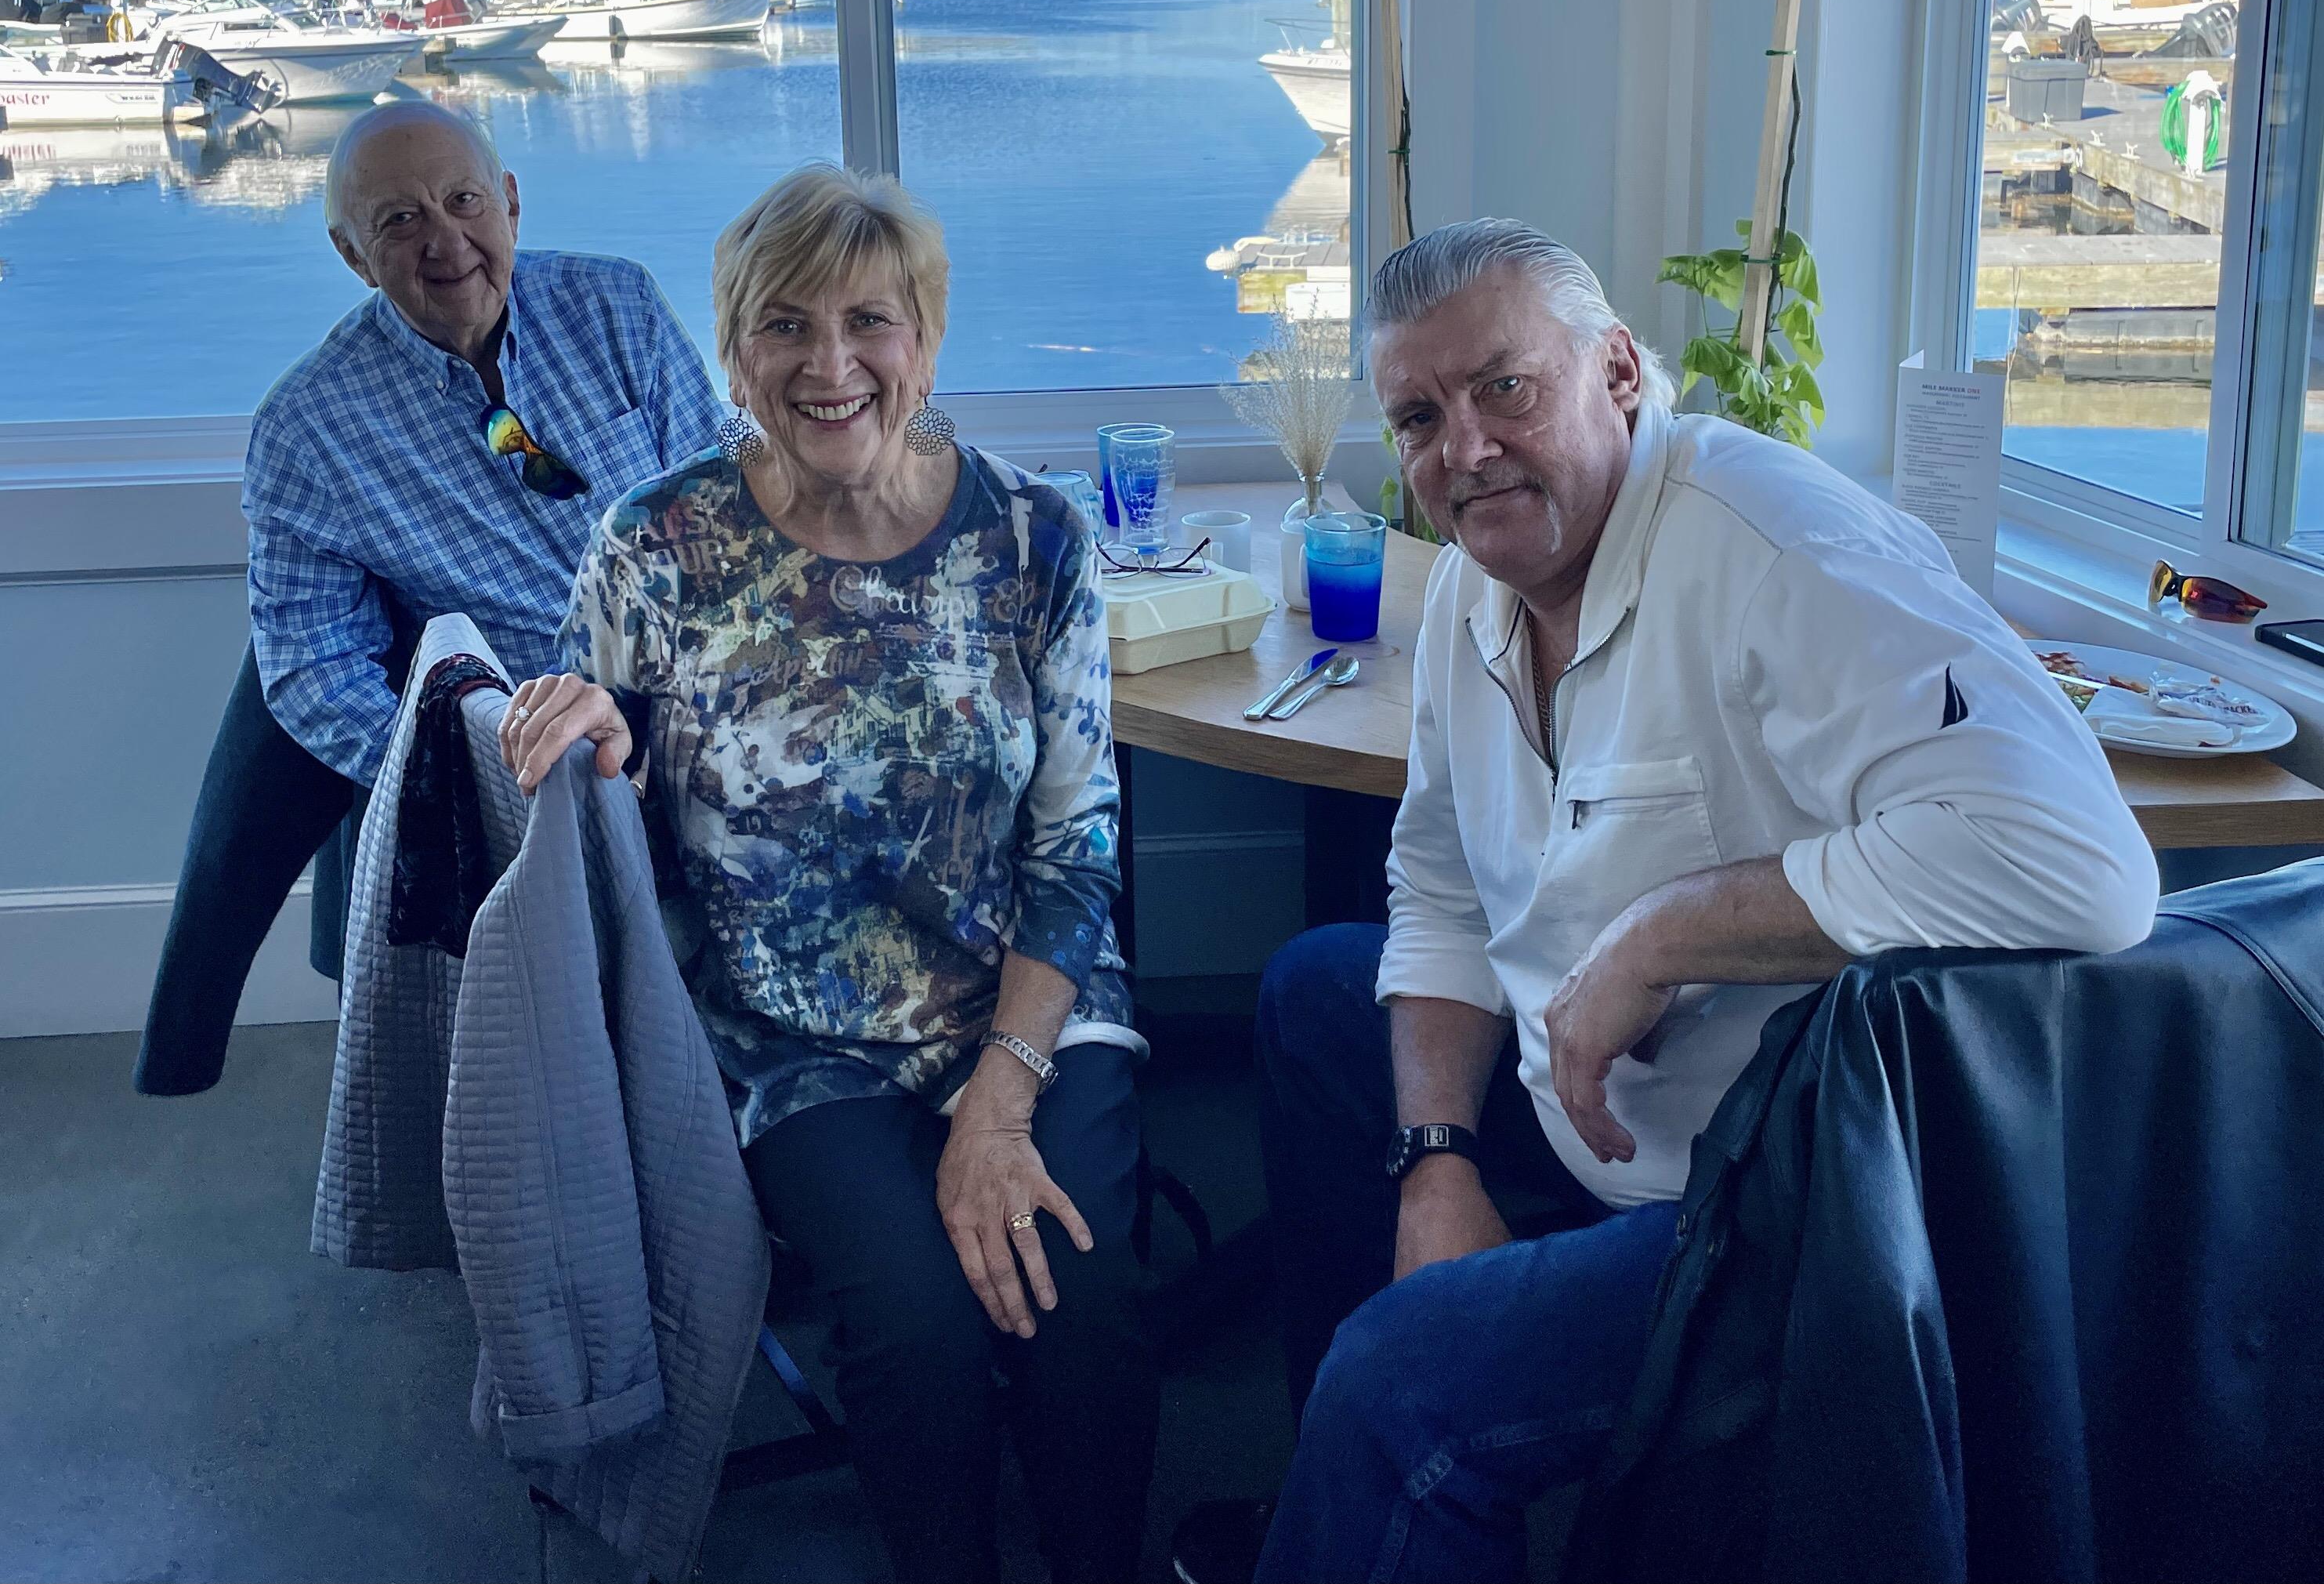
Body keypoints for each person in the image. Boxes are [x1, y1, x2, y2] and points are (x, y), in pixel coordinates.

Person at [1179, 219, 2160, 1584]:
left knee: (1405, 1380)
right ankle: (1350, 1513)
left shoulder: (1778, 548)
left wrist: (1665, 932)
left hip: (1777, 1203)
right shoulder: (1475, 585)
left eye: (1504, 388)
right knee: (1317, 994)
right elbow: (1440, 884)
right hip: (1588, 1109)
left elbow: (2082, 861)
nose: (1462, 448)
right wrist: (1438, 1160)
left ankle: (1390, 1448)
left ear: (1621, 373)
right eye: (1418, 414)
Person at [501, 163, 1158, 1584]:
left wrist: (1003, 1091)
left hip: (1029, 1001)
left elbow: (1079, 840)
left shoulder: (1036, 534)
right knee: (917, 1321)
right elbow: (599, 823)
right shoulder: (653, 545)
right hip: (790, 1033)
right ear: (733, 350)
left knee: (1083, 1286)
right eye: (784, 325)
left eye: (872, 319)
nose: (832, 362)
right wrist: (600, 737)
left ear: (927, 334)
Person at [134, 100, 722, 1095]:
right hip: (524, 753)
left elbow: (727, 513)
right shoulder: (309, 429)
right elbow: (314, 677)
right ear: (353, 255)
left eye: (463, 202)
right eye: (400, 221)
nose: (446, 242)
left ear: (512, 203)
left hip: (695, 698)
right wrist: (470, 768)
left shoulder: (616, 308)